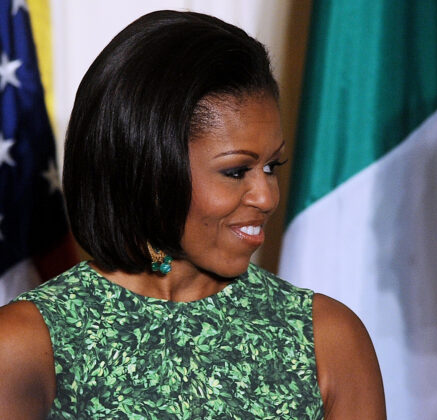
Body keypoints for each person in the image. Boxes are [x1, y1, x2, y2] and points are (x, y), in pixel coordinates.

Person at [0, 10, 385, 419]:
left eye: (272, 166)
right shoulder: (25, 342)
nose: (266, 196)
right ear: (148, 169)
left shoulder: (329, 339)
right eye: (236, 171)